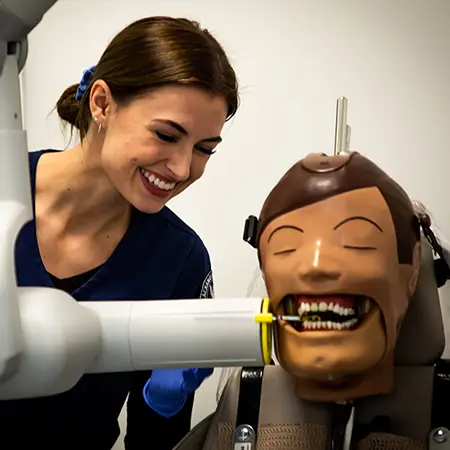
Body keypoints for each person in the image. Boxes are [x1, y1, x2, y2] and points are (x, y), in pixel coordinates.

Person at [3, 16, 239, 450]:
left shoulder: (180, 260)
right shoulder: (4, 193)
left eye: (205, 149)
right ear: (102, 103)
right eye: (167, 135)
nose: (184, 168)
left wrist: (163, 403)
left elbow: (153, 442)